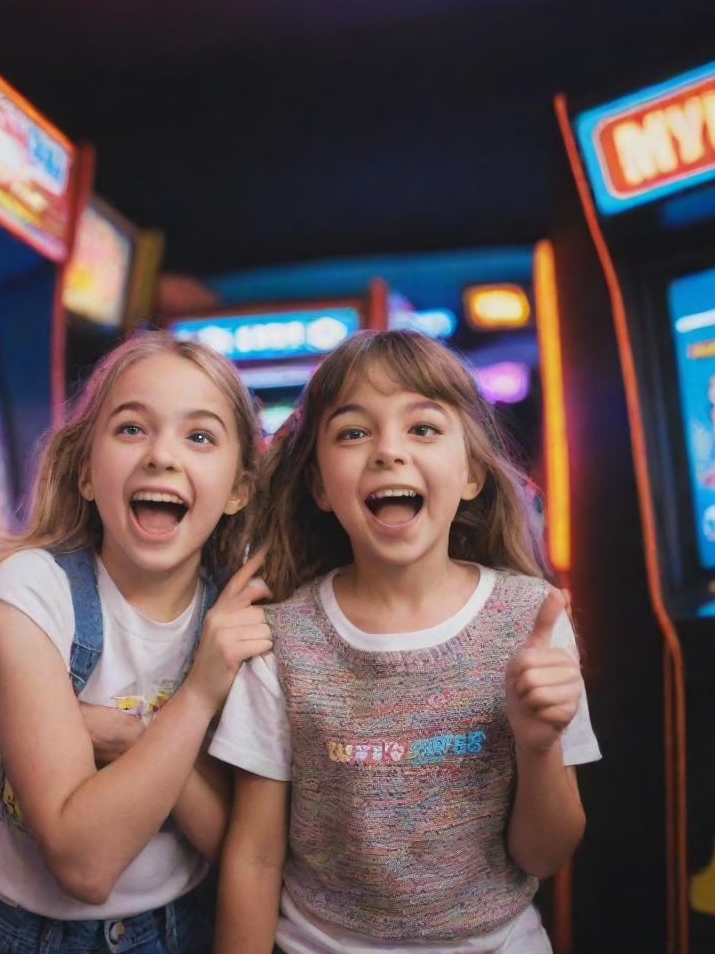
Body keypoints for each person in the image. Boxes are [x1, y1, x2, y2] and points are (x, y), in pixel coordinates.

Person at [211, 329, 601, 954]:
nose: (388, 451)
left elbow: (546, 853)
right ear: (318, 485)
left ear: (472, 472)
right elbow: (255, 858)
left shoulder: (530, 621)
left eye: (422, 428)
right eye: (353, 432)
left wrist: (537, 745)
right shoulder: (282, 639)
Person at [0, 331, 273, 954]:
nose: (162, 456)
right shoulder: (28, 590)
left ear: (238, 488)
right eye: (132, 429)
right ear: (85, 473)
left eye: (200, 436)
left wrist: (131, 736)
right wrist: (200, 693)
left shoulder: (238, 617)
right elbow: (83, 864)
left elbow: (240, 847)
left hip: (186, 929)